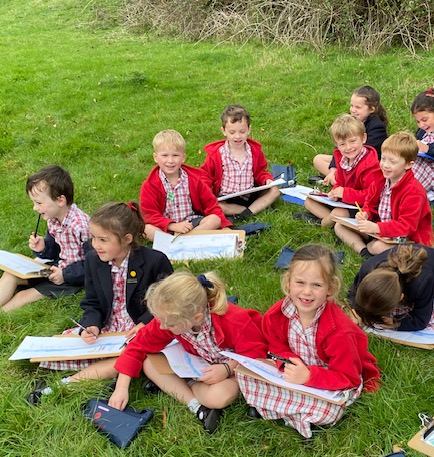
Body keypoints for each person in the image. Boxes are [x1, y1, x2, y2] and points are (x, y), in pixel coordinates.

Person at [27, 201, 174, 404]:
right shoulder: (93, 260)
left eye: (103, 240)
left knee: (133, 352)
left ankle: (66, 383)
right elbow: (92, 301)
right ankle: (116, 370)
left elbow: (169, 300)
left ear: (127, 239)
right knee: (63, 347)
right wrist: (92, 325)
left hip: (140, 328)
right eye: (94, 237)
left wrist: (144, 323)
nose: (96, 245)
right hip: (109, 327)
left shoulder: (155, 261)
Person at [236, 244, 380, 438]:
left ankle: (277, 412)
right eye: (300, 282)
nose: (307, 292)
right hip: (295, 375)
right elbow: (276, 347)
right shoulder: (276, 315)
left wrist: (308, 377)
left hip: (329, 380)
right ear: (288, 282)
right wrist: (288, 364)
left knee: (330, 412)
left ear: (330, 288)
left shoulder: (340, 331)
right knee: (244, 376)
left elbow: (348, 378)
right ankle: (296, 415)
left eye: (317, 285)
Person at [108, 270, 266, 434]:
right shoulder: (171, 318)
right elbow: (138, 344)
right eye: (160, 321)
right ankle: (196, 406)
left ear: (197, 318)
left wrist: (227, 369)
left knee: (219, 397)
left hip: (233, 368)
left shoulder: (234, 320)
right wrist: (121, 387)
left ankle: (184, 386)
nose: (162, 326)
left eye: (169, 324)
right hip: (200, 364)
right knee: (149, 364)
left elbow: (256, 355)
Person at [0, 165, 90, 312]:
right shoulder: (53, 219)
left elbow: (94, 264)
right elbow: (55, 251)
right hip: (56, 267)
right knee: (11, 275)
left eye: (39, 203)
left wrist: (65, 275)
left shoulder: (81, 226)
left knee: (23, 296)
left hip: (73, 278)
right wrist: (44, 248)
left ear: (60, 200)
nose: (35, 208)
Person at [335, 132, 434, 258]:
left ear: (408, 165)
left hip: (409, 240)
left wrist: (377, 227)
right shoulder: (380, 179)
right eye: (383, 158)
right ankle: (365, 252)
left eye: (392, 161)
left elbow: (407, 226)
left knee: (377, 247)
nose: (385, 165)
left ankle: (371, 249)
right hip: (381, 232)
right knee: (340, 226)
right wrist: (365, 213)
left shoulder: (414, 191)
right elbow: (369, 203)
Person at [347, 244, 434, 332]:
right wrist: (354, 309)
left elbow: (421, 320)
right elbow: (353, 292)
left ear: (400, 298)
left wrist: (396, 323)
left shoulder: (422, 283)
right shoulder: (367, 269)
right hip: (408, 286)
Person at [140, 129, 231, 240]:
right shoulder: (150, 185)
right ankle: (175, 241)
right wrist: (172, 225)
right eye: (164, 155)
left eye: (175, 155)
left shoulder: (194, 180)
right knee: (147, 229)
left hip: (192, 224)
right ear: (155, 157)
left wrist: (224, 225)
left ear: (183, 158)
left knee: (215, 219)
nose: (170, 160)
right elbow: (150, 215)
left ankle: (185, 240)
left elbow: (210, 204)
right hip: (167, 227)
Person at [300, 114, 384, 227]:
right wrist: (334, 191)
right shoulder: (342, 159)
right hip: (344, 202)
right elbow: (339, 182)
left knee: (338, 213)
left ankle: (322, 224)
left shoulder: (371, 166)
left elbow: (372, 196)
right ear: (336, 145)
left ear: (363, 138)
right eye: (342, 144)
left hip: (363, 209)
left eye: (353, 141)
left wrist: (345, 193)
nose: (348, 147)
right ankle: (332, 222)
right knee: (309, 201)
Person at [201, 105, 280, 223]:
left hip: (249, 193)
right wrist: (207, 193)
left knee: (275, 191)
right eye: (232, 132)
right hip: (226, 198)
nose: (237, 136)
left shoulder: (254, 151)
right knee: (213, 205)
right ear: (224, 131)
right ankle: (245, 210)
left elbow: (260, 172)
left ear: (249, 129)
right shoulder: (217, 154)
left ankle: (246, 212)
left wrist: (267, 180)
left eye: (242, 131)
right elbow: (205, 175)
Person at [314, 86, 389, 186]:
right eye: (351, 106)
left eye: (358, 107)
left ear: (371, 109)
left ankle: (340, 181)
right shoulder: (351, 122)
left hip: (365, 165)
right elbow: (339, 148)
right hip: (349, 158)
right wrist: (333, 169)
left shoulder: (377, 127)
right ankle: (335, 177)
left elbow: (364, 154)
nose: (353, 110)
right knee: (318, 159)